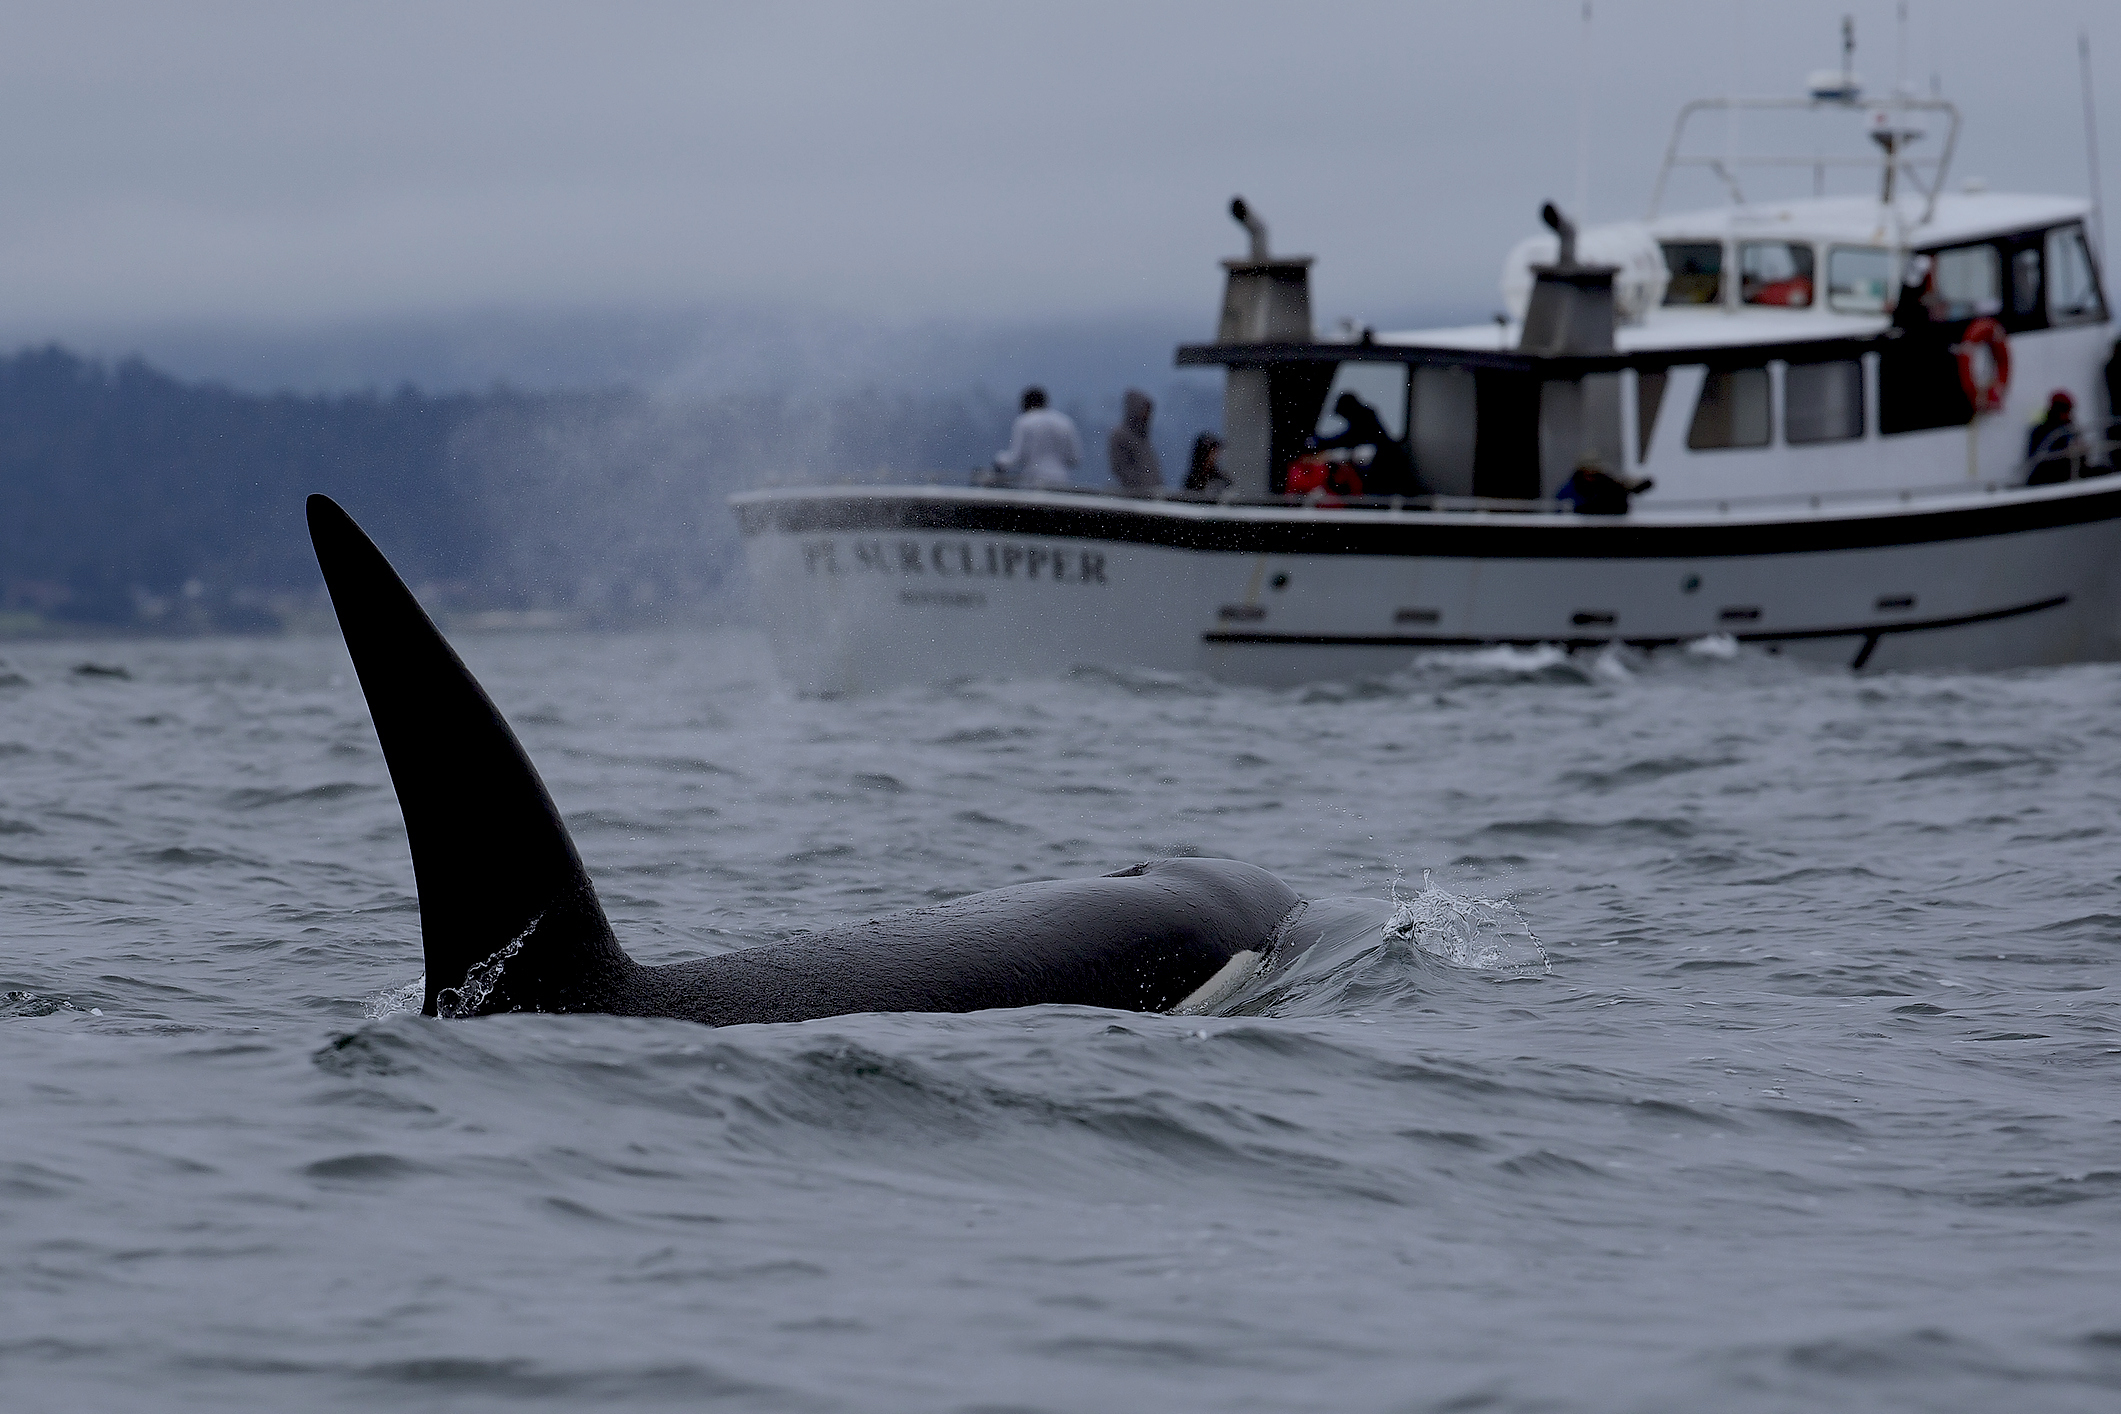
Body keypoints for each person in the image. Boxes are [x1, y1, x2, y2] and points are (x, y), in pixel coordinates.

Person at [1305, 392, 1420, 496]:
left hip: (1388, 462)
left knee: (1381, 490)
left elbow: (1349, 438)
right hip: (1385, 459)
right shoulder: (1364, 417)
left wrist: (1320, 442)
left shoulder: (1364, 418)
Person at [993, 386, 1081, 488]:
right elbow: (1075, 458)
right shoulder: (1065, 422)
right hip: (1061, 481)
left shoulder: (1024, 422)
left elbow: (1016, 457)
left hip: (1033, 480)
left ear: (1024, 404)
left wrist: (1000, 460)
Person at [1106, 389, 1162, 493]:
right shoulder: (1121, 436)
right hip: (1134, 497)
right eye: (1143, 410)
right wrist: (1138, 486)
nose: (1146, 415)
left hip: (1152, 495)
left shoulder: (1142, 438)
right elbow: (1120, 467)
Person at [1556, 457, 1651, 515]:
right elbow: (1561, 505)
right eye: (1587, 473)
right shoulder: (1571, 488)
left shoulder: (1609, 485)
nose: (1591, 475)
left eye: (1594, 472)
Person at [2025, 390, 2080, 484]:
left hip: (2068, 475)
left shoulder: (2069, 430)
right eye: (2066, 410)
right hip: (2049, 477)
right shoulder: (2044, 431)